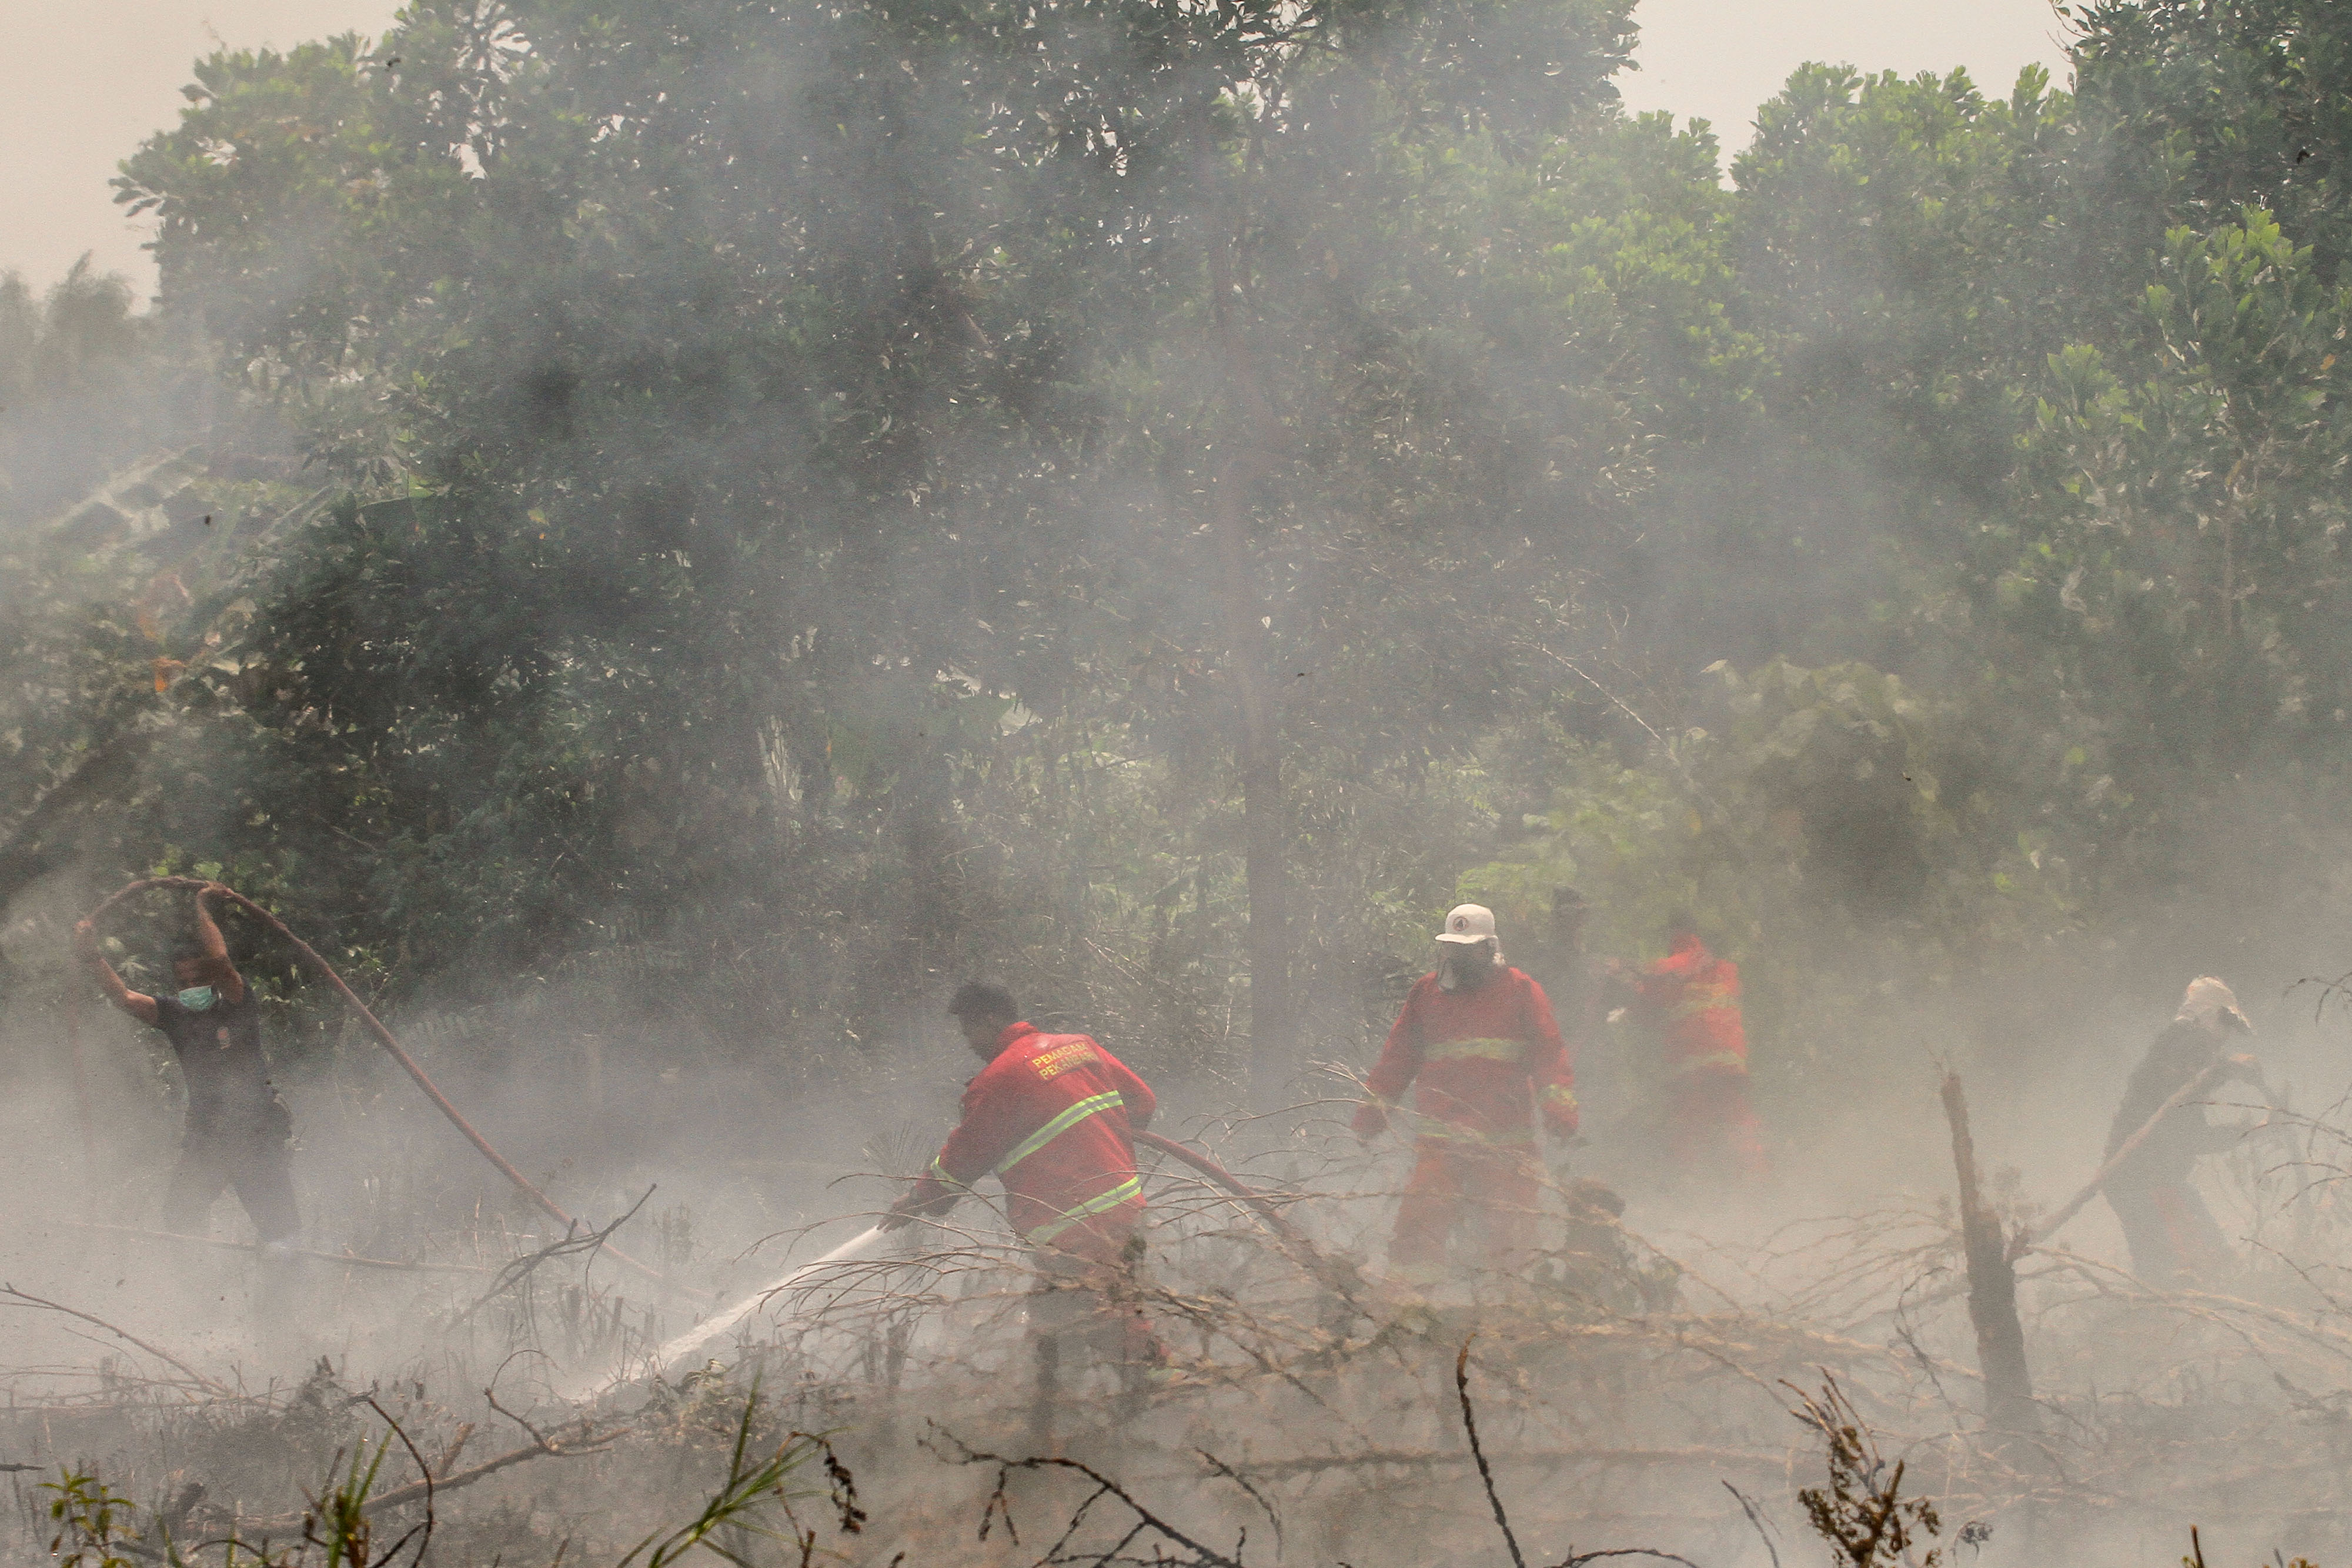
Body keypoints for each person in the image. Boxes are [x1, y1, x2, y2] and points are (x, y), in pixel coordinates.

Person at [886, 981, 1164, 1386]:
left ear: (991, 1019)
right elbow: (1142, 1102)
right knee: (1072, 1325)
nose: (969, 1044)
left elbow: (962, 1158)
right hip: (1127, 1210)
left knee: (1100, 1326)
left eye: (969, 1031)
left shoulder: (997, 1081)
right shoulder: (1080, 1047)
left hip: (1070, 1229)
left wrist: (918, 1198)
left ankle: (1165, 1394)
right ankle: (1071, 1420)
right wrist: (1105, 1142)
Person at [1352, 903, 1577, 1284]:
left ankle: (1512, 1314)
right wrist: (1370, 1115)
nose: (1459, 956)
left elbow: (1549, 1055)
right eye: (1453, 948)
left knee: (1513, 1235)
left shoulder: (1522, 991)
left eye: (1468, 948)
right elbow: (1397, 1059)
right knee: (1419, 1227)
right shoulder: (1427, 993)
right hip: (1443, 1141)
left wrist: (1560, 1112)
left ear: (1490, 948)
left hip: (1506, 1143)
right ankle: (1409, 1312)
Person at [74, 884, 298, 1245]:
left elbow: (223, 964)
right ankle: (202, 1281)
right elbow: (124, 996)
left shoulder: (237, 1003)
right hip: (207, 1133)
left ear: (214, 980)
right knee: (179, 1214)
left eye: (199, 979)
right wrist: (91, 956)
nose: (191, 987)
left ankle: (281, 1282)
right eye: (184, 982)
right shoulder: (176, 1014)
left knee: (280, 1228)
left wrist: (202, 908)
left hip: (254, 1131)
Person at [2102, 976, 2263, 1286]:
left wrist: (2225, 1075)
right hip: (2146, 1180)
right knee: (2181, 1275)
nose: (2227, 1038)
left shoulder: (2175, 1050)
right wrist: (2249, 1128)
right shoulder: (2187, 1043)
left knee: (2192, 1267)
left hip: (2146, 1179)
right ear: (2210, 1017)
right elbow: (2189, 1134)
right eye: (2226, 1024)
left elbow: (2183, 1118)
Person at [1613, 912, 1768, 1183]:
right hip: (1729, 1067)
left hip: (1694, 1071)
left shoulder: (1676, 967)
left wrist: (1623, 971)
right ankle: (1756, 1180)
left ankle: (1692, 1184)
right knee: (1739, 1124)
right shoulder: (1725, 970)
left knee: (1689, 1128)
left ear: (1676, 934)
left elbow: (1653, 992)